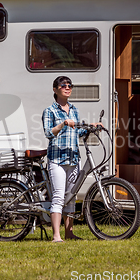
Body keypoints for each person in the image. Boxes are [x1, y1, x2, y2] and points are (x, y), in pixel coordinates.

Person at [42, 76, 101, 242]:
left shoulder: (74, 109)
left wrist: (91, 127)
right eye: (63, 85)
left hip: (73, 158)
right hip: (57, 159)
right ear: (55, 89)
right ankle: (56, 236)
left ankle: (69, 233)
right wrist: (62, 124)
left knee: (71, 196)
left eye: (69, 85)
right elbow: (48, 133)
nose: (67, 88)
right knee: (59, 196)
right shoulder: (50, 111)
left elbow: (77, 132)